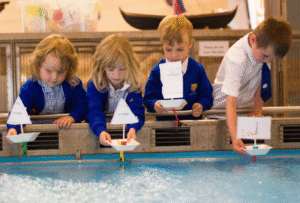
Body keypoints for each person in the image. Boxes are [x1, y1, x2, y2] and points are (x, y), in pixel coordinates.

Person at [211, 17, 293, 155]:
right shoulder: (237, 58)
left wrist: (256, 112)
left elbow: (261, 83)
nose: (268, 61)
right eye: (266, 56)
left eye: (272, 59)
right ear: (253, 40)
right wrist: (235, 137)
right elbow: (230, 103)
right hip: (221, 114)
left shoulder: (263, 51)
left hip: (245, 112)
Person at [6, 34, 89, 136]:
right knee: (24, 151)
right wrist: (13, 129)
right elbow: (18, 110)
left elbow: (84, 105)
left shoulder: (73, 84)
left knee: (65, 152)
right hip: (35, 136)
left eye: (61, 71)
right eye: (48, 71)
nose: (54, 77)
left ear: (69, 69)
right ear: (38, 66)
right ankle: (24, 151)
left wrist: (72, 117)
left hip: (64, 135)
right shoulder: (31, 87)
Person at [143, 15, 213, 120]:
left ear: (190, 44)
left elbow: (207, 95)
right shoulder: (157, 71)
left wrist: (201, 105)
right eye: (168, 49)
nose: (174, 55)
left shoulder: (197, 69)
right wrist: (154, 105)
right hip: (164, 129)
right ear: (162, 45)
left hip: (193, 128)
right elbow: (148, 98)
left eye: (179, 49)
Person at [87, 34, 145, 146]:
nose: (116, 75)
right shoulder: (96, 85)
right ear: (102, 67)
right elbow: (94, 111)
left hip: (125, 133)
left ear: (130, 66)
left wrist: (133, 128)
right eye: (111, 69)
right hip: (101, 133)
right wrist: (100, 131)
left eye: (122, 69)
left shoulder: (133, 85)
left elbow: (137, 111)